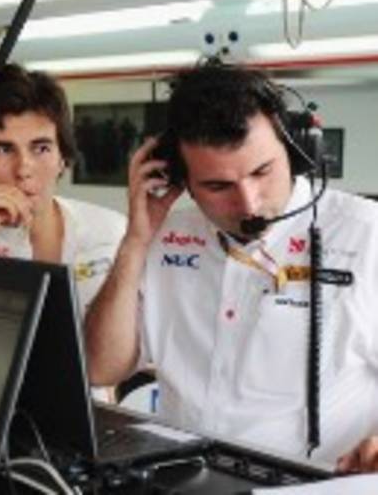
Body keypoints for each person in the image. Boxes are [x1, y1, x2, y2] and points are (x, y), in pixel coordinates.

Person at [84, 60, 378, 470]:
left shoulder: (367, 235)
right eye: (217, 185)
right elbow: (99, 368)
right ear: (178, 177)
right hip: (183, 476)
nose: (249, 203)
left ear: (294, 148)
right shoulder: (163, 236)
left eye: (262, 171)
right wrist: (135, 241)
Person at [0, 64, 126, 321]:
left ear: (62, 157)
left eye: (41, 148)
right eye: (3, 150)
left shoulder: (113, 232)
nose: (23, 170)